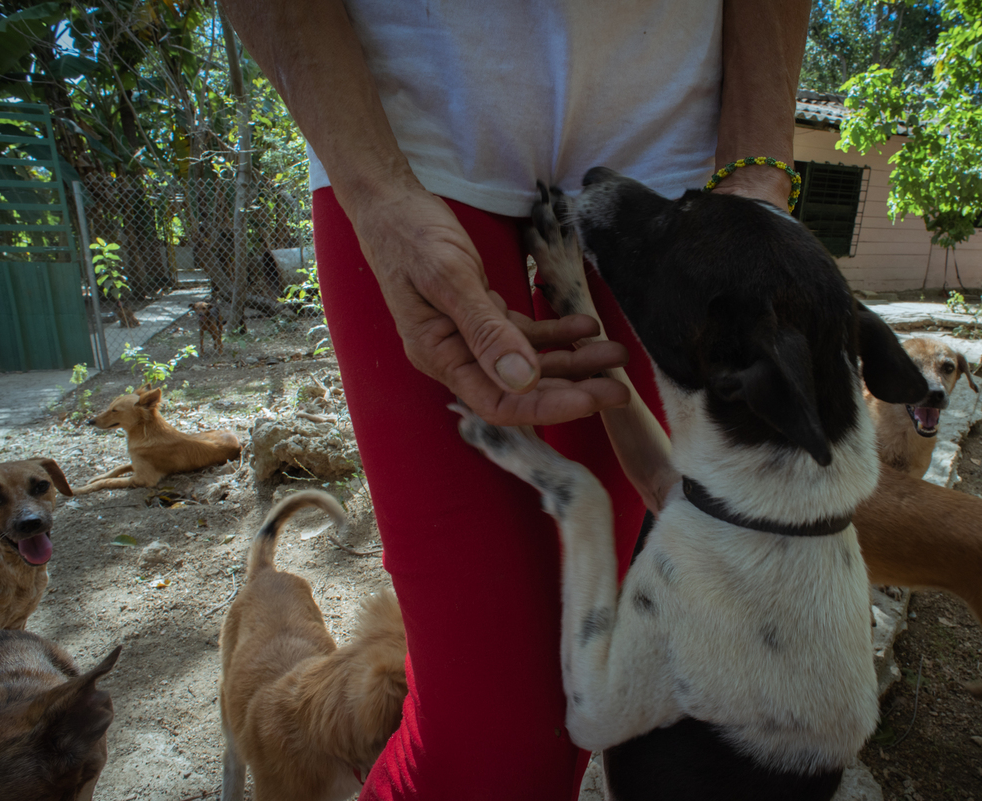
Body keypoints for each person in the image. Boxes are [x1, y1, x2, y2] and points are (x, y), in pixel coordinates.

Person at [219, 2, 813, 799]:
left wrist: (759, 168)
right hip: (407, 134)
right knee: (496, 747)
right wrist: (374, 191)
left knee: (571, 712)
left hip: (669, 166)